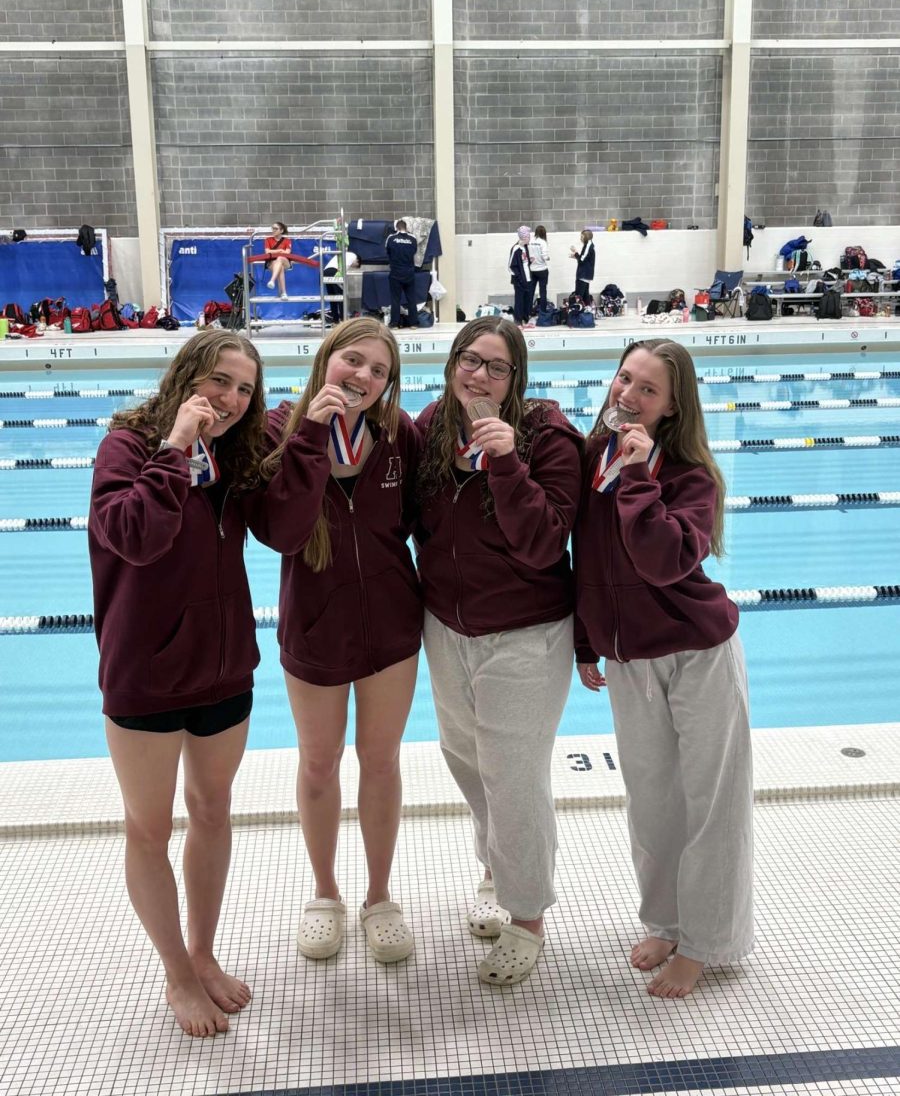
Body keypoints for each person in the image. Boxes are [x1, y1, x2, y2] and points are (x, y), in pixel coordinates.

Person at [88, 330, 269, 1037]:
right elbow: (133, 536)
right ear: (189, 373)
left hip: (223, 666)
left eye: (245, 389)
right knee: (150, 827)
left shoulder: (234, 456)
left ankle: (202, 951)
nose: (230, 398)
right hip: (146, 674)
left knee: (214, 811)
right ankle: (175, 971)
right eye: (220, 380)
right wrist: (174, 448)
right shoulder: (126, 447)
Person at [573, 338, 754, 999]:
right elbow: (588, 557)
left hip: (698, 654)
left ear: (674, 407)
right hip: (629, 659)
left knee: (712, 805)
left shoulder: (690, 476)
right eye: (625, 379)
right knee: (652, 804)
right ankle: (666, 920)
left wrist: (641, 476)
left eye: (648, 389)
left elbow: (661, 561)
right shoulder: (596, 459)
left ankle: (706, 944)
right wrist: (586, 642)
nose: (628, 395)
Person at [415, 316, 582, 986]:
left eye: (494, 366)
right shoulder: (432, 425)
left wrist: (508, 460)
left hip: (526, 634)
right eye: (467, 359)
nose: (477, 375)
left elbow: (545, 544)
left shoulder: (550, 437)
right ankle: (495, 871)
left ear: (518, 379)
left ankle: (528, 916)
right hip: (446, 628)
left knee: (514, 778)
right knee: (467, 761)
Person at [256, 319, 422, 964]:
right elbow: (282, 533)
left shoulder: (398, 437)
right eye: (353, 361)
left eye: (379, 371)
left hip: (391, 627)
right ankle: (325, 893)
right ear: (327, 358)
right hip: (314, 627)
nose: (363, 377)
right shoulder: (278, 429)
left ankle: (379, 896)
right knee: (319, 764)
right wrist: (308, 438)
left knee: (380, 763)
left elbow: (409, 525)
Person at [385, 219, 419, 328]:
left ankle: (394, 323)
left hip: (395, 273)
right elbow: (414, 251)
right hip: (409, 273)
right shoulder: (413, 238)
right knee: (411, 299)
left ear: (396, 228)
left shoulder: (391, 238)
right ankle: (414, 323)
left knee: (395, 299)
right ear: (406, 227)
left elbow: (387, 251)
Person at [321, 246, 360, 322]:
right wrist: (342, 281)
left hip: (325, 272)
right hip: (334, 272)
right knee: (341, 296)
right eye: (355, 266)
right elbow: (343, 268)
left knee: (332, 298)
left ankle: (335, 320)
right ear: (357, 261)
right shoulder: (353, 256)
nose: (353, 267)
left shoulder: (345, 254)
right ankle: (343, 320)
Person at [508, 225, 533, 324]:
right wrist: (519, 278)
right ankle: (518, 319)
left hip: (528, 278)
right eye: (528, 237)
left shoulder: (526, 247)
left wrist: (530, 261)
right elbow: (510, 266)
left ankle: (525, 318)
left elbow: (525, 262)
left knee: (528, 300)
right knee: (519, 300)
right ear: (524, 238)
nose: (529, 239)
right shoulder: (516, 249)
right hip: (519, 280)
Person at [264, 220, 293, 296]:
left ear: (281, 230)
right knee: (280, 267)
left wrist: (274, 252)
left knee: (280, 259)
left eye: (276, 229)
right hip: (272, 263)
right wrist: (280, 250)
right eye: (273, 228)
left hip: (285, 261)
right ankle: (283, 292)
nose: (273, 230)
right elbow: (267, 251)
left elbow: (287, 252)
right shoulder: (268, 240)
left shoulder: (287, 240)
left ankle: (272, 280)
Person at [528, 225, 551, 313]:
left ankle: (528, 311)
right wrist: (548, 258)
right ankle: (543, 312)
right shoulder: (543, 242)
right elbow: (545, 257)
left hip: (532, 270)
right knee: (543, 292)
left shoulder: (530, 240)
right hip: (542, 270)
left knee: (531, 291)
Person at [570, 228, 595, 302]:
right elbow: (584, 259)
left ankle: (578, 312)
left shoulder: (588, 246)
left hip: (583, 275)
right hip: (585, 274)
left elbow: (581, 260)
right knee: (585, 296)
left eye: (582, 237)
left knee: (579, 296)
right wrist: (575, 256)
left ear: (586, 237)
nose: (580, 239)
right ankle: (587, 311)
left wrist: (575, 252)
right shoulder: (588, 245)